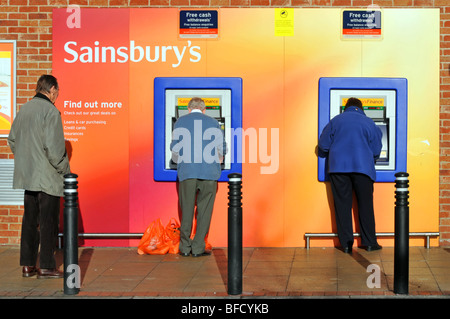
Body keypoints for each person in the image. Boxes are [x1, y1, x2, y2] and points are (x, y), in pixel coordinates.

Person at [8, 75, 71, 278]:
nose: (57, 96)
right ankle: (46, 265)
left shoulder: (24, 109)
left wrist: (27, 159)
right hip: (47, 178)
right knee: (48, 222)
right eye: (57, 92)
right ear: (51, 89)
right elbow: (54, 149)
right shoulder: (51, 112)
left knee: (29, 221)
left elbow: (12, 140)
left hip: (29, 176)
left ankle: (27, 265)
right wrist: (64, 170)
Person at [318, 97, 383, 253]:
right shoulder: (370, 123)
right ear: (361, 108)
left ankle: (346, 245)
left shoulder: (335, 121)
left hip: (339, 169)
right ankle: (369, 243)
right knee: (366, 206)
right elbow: (376, 151)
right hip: (363, 169)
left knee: (342, 206)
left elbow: (323, 145)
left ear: (345, 107)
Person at [170, 97, 226, 257]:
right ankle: (198, 248)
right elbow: (222, 148)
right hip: (209, 173)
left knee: (186, 209)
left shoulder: (180, 122)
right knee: (205, 211)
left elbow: (174, 148)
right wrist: (218, 160)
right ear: (204, 109)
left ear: (188, 109)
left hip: (187, 172)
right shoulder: (214, 123)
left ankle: (185, 248)